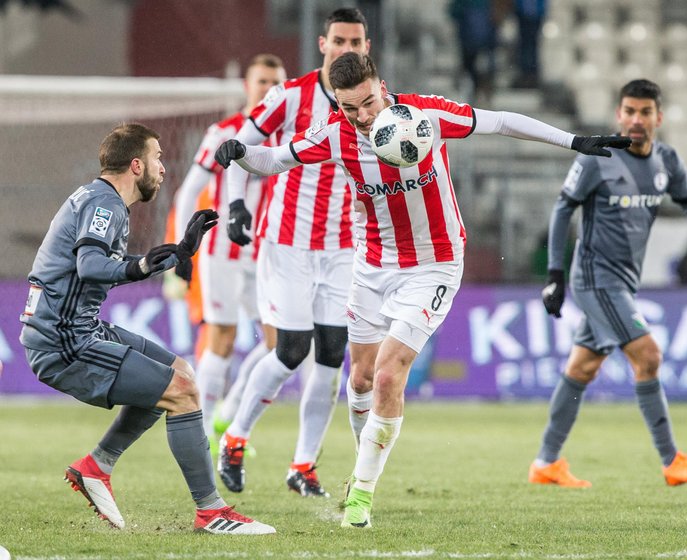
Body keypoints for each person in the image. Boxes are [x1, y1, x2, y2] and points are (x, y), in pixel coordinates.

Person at [214, 52, 630, 528]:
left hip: (434, 264)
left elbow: (500, 122)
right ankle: (361, 463)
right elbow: (272, 159)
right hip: (370, 266)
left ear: (383, 86)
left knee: (390, 376)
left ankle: (361, 497)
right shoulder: (336, 134)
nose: (364, 116)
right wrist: (239, 153)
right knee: (360, 380)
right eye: (352, 108)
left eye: (369, 102)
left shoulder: (424, 115)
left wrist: (574, 140)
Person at [18, 124, 274, 534]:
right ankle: (211, 512)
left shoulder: (100, 199)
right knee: (183, 393)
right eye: (157, 158)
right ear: (136, 165)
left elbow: (94, 264)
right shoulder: (105, 204)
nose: (163, 168)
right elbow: (90, 266)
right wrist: (141, 265)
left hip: (77, 328)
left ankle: (97, 466)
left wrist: (176, 254)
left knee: (180, 372)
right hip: (63, 339)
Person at [533, 79, 687, 489]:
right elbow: (562, 209)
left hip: (624, 282)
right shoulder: (598, 159)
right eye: (628, 111)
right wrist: (555, 274)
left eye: (644, 112)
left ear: (659, 117)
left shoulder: (667, 161)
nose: (635, 120)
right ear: (618, 115)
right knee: (648, 356)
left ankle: (546, 462)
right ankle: (670, 460)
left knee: (582, 368)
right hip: (595, 280)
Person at [216, 7, 370, 498]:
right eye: (340, 41)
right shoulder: (291, 96)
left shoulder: (375, 101)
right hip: (287, 243)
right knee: (289, 350)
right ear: (322, 44)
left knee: (330, 357)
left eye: (356, 42)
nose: (348, 49)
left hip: (344, 246)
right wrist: (236, 204)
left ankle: (304, 465)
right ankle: (235, 438)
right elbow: (241, 146)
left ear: (367, 47)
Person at [171, 53, 285, 450]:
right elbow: (188, 191)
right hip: (220, 248)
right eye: (262, 82)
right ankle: (199, 431)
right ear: (247, 87)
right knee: (221, 335)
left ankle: (227, 413)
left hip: (266, 252)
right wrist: (185, 249)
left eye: (276, 83)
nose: (269, 90)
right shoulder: (224, 131)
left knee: (280, 343)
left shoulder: (288, 135)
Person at [511, 0, 546, 89]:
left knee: (532, 44)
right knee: (524, 44)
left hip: (535, 14)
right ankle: (525, 73)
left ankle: (532, 74)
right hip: (523, 14)